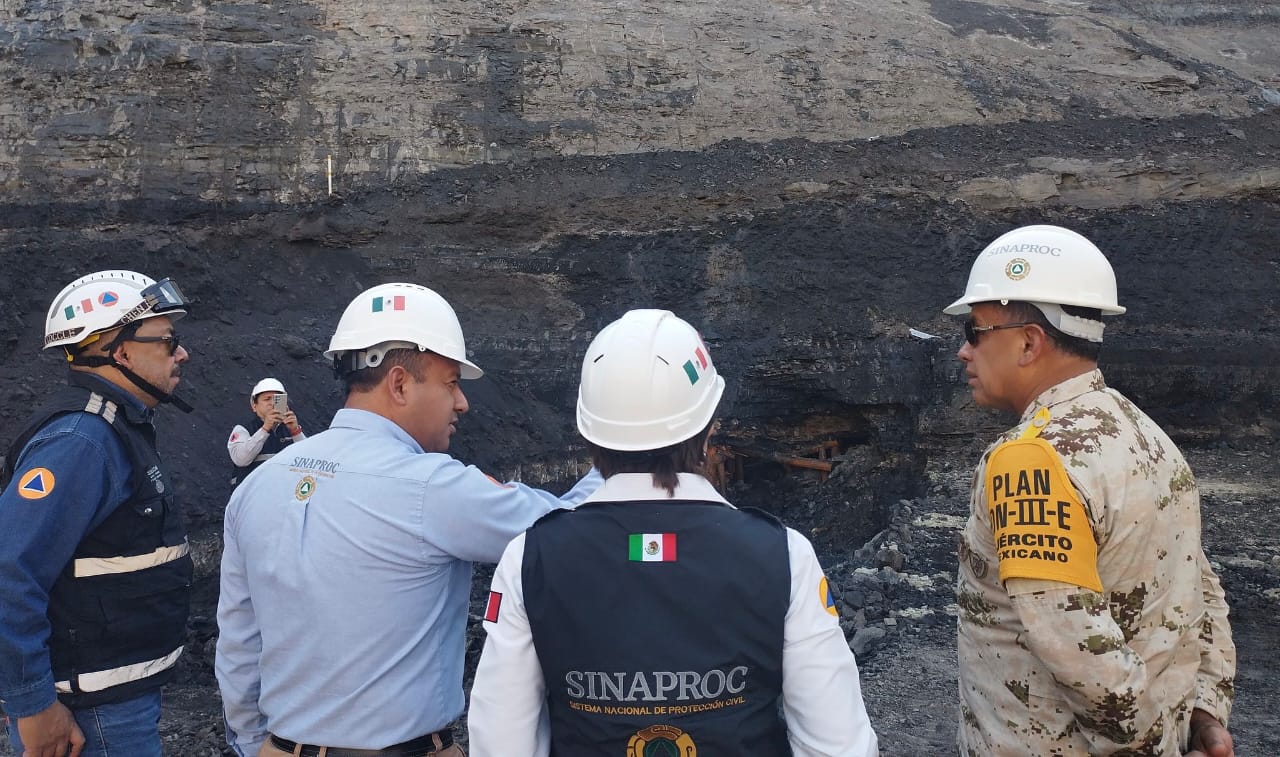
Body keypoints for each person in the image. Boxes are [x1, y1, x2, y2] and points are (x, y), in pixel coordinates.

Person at [468, 309, 880, 756]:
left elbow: (501, 741)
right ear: (708, 427)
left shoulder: (530, 558)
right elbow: (837, 744)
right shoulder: (783, 555)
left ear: (589, 433)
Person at [215, 282, 602, 757]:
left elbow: (238, 643)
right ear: (399, 384)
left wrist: (254, 743)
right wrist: (628, 450)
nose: (462, 403)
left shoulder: (257, 486)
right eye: (451, 383)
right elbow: (580, 527)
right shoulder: (432, 487)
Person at [943, 225, 1237, 756]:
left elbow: (1082, 657)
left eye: (975, 330)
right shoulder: (1147, 435)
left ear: (1029, 342)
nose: (964, 351)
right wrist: (1205, 710)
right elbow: (1198, 589)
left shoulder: (1030, 461)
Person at [0, 270, 194, 757]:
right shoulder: (82, 441)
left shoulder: (115, 429)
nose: (182, 354)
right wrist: (33, 706)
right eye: (169, 341)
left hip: (113, 702)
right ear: (121, 352)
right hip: (92, 718)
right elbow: (8, 570)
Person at [227, 377, 305, 487]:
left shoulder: (291, 429)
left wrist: (295, 432)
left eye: (277, 399)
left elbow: (309, 461)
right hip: (252, 494)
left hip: (283, 493)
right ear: (254, 406)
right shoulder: (243, 429)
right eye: (267, 399)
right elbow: (241, 459)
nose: (272, 403)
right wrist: (265, 429)